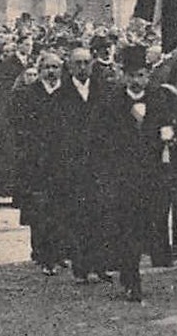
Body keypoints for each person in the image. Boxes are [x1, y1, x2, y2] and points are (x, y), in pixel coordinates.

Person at [91, 46, 177, 303]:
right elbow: (99, 137)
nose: (136, 80)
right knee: (126, 226)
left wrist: (168, 137)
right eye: (131, 75)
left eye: (141, 75)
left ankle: (140, 265)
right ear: (123, 75)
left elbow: (168, 127)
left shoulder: (158, 98)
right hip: (122, 175)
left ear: (147, 75)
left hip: (151, 175)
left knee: (146, 223)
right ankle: (131, 279)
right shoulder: (112, 101)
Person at [50, 45, 110, 283]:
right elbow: (54, 135)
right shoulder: (60, 97)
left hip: (100, 163)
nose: (83, 67)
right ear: (70, 66)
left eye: (86, 63)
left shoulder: (104, 92)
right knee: (78, 216)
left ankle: (102, 265)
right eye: (78, 63)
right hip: (72, 165)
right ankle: (81, 267)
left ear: (92, 64)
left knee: (102, 214)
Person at [14, 50, 68, 274]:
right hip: (37, 158)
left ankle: (60, 252)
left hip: (62, 157)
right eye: (47, 68)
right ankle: (43, 254)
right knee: (40, 208)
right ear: (41, 71)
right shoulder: (28, 94)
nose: (51, 72)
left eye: (55, 67)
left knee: (62, 206)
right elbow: (18, 126)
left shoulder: (68, 93)